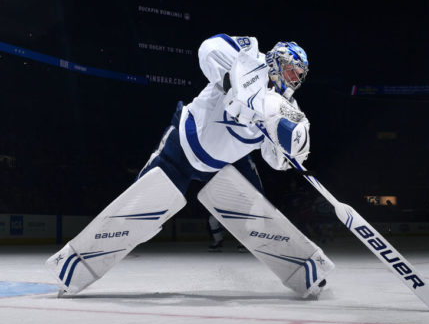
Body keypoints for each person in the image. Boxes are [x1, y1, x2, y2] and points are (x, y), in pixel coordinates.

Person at [46, 34, 333, 298]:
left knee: (256, 215)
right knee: (142, 216)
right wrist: (232, 81)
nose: (294, 79)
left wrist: (286, 143)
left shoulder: (287, 110)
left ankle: (303, 270)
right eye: (291, 70)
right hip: (183, 146)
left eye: (299, 75)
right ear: (276, 60)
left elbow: (277, 161)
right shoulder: (250, 57)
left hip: (224, 165)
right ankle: (74, 266)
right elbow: (208, 48)